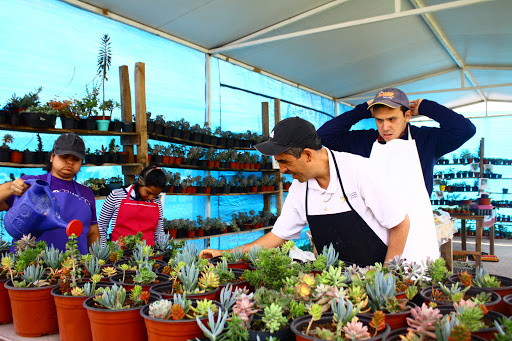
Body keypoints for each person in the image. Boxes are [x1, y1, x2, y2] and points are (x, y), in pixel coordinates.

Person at [200, 117, 412, 267]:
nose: (282, 170)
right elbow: (277, 236)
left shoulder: (359, 171)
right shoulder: (301, 187)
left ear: (308, 155)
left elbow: (400, 224)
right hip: (334, 281)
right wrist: (227, 253)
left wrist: (387, 276)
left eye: (284, 162)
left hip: (376, 276)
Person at [317, 87, 476, 196]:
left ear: (407, 116)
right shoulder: (365, 141)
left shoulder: (427, 140)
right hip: (375, 227)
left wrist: (426, 107)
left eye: (392, 119)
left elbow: (466, 130)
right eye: (379, 120)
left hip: (415, 226)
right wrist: (362, 110)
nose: (385, 127)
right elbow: (325, 135)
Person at [0, 133, 99, 254]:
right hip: (32, 265)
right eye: (64, 157)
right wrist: (10, 187)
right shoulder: (32, 185)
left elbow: (93, 232)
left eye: (75, 159)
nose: (70, 162)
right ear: (52, 157)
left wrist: (96, 261)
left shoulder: (86, 192)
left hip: (74, 266)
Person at [98, 164, 166, 246]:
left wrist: (162, 250)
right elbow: (102, 226)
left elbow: (159, 231)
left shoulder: (157, 203)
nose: (151, 197)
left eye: (155, 195)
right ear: (140, 181)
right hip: (119, 254)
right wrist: (103, 250)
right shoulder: (116, 195)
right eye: (148, 192)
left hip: (148, 254)